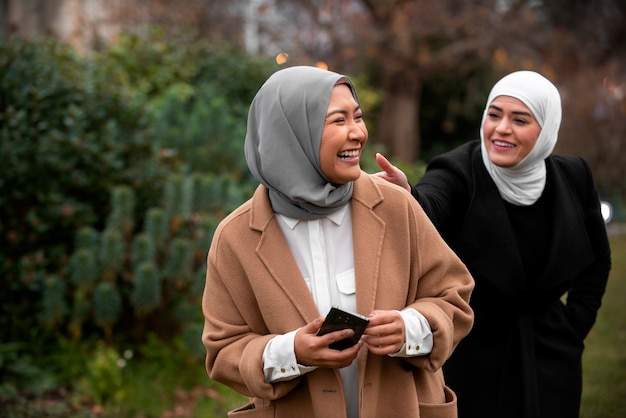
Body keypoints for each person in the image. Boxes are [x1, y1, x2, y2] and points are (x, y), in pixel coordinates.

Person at [201, 65, 475, 418]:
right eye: (338, 121)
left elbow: (454, 296)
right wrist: (292, 352)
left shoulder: (396, 206)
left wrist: (410, 328)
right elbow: (223, 350)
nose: (358, 132)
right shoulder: (235, 238)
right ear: (292, 134)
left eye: (358, 117)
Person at [374, 70, 612, 418]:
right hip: (474, 355)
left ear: (546, 128)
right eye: (494, 114)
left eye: (520, 119)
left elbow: (597, 261)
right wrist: (409, 196)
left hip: (551, 354)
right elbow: (433, 203)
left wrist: (575, 327)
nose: (501, 128)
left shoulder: (574, 176)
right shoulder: (457, 170)